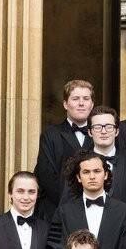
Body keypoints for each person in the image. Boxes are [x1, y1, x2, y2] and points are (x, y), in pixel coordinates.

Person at [48, 151, 126, 249]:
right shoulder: (63, 212)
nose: (92, 176)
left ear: (106, 174)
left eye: (97, 171)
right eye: (86, 172)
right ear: (78, 177)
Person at [65, 105, 126, 216]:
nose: (103, 131)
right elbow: (68, 204)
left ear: (117, 131)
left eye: (109, 127)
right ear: (90, 132)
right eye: (97, 127)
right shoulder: (78, 163)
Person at [34, 79, 94, 218]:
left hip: (94, 209)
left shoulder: (101, 134)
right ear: (65, 104)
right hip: (57, 210)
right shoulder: (51, 135)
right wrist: (72, 204)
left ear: (92, 104)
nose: (81, 103)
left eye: (86, 98)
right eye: (75, 98)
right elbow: (45, 175)